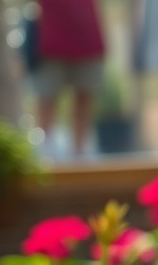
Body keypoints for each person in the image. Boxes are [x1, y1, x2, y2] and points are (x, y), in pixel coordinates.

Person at [34, 0, 107, 157]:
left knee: (85, 95)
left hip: (87, 35)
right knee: (47, 96)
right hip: (50, 38)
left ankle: (80, 151)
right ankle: (46, 151)